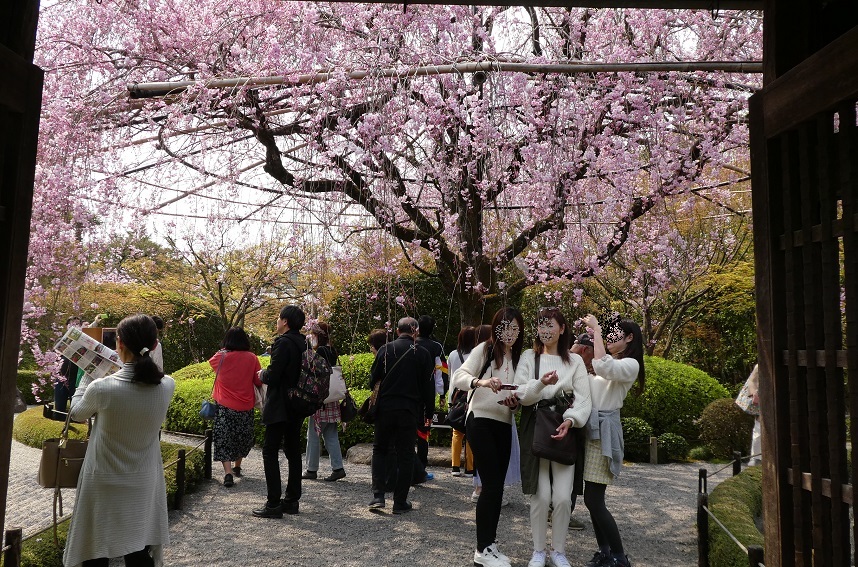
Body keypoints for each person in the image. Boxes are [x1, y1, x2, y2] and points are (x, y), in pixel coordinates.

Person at [63, 314, 175, 567]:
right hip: (144, 478)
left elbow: (77, 414)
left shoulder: (102, 388)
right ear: (155, 345)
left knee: (95, 549)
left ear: (119, 343)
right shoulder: (168, 385)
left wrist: (88, 376)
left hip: (104, 480)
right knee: (137, 549)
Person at [512, 308, 592, 567]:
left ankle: (558, 550)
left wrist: (570, 420)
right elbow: (522, 393)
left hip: (565, 429)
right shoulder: (529, 357)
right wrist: (542, 384)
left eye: (550, 325)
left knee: (562, 497)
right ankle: (538, 550)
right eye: (541, 326)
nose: (545, 330)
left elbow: (583, 399)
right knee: (541, 495)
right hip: (536, 427)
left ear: (562, 328)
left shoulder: (575, 361)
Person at [451, 307, 524, 567]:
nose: (510, 333)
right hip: (480, 420)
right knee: (491, 485)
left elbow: (522, 395)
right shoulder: (485, 349)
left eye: (515, 328)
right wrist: (482, 383)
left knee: (496, 488)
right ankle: (482, 549)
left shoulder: (519, 357)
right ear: (496, 327)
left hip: (504, 423)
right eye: (505, 327)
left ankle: (489, 544)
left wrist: (515, 403)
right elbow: (459, 377)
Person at [580, 314, 645, 567]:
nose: (608, 337)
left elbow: (602, 366)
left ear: (629, 338)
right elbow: (593, 377)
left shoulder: (630, 365)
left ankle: (619, 556)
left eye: (614, 333)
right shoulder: (614, 363)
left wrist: (596, 329)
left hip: (604, 431)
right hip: (592, 428)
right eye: (607, 333)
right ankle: (606, 552)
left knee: (594, 499)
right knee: (592, 499)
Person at [367, 317, 434, 514]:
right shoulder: (421, 353)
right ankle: (400, 501)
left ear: (397, 331)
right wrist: (428, 413)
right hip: (408, 409)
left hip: (385, 408)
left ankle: (378, 496)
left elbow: (373, 381)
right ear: (416, 332)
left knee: (379, 449)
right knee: (405, 454)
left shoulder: (385, 350)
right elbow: (428, 387)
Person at [253, 305, 307, 518]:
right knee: (293, 451)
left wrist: (263, 373)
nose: (276, 322)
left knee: (270, 450)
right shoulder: (304, 342)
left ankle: (273, 503)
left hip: (280, 404)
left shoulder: (283, 343)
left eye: (278, 318)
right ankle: (292, 500)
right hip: (298, 404)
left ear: (285, 321)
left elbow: (274, 376)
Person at [208, 327, 262, 487]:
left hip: (224, 405)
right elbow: (258, 381)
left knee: (223, 438)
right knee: (243, 437)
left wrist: (225, 350)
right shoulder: (252, 358)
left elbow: (212, 363)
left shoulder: (220, 357)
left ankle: (228, 473)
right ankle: (237, 466)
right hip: (246, 405)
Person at [303, 322, 347, 482]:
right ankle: (338, 467)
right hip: (331, 399)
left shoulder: (320, 351)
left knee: (313, 435)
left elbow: (315, 372)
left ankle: (311, 469)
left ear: (318, 336)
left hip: (320, 398)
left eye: (313, 335)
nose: (311, 337)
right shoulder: (332, 350)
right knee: (331, 434)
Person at [448, 326, 475, 476]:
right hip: (472, 394)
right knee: (471, 431)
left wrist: (449, 399)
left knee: (457, 432)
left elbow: (451, 378)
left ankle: (455, 467)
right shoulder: (477, 355)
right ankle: (470, 468)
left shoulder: (453, 355)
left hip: (457, 395)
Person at [55, 315, 82, 420]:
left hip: (75, 380)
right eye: (71, 323)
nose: (74, 326)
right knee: (59, 410)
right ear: (66, 326)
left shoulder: (82, 342)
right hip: (61, 378)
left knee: (76, 411)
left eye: (77, 324)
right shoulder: (59, 340)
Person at [743, 364, 762, 466]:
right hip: (762, 402)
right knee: (758, 430)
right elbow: (752, 380)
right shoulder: (759, 366)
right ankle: (756, 458)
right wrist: (753, 393)